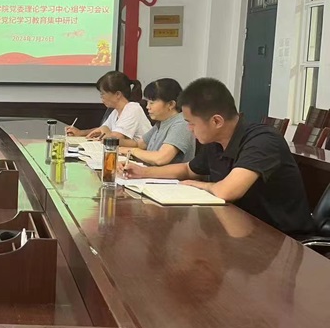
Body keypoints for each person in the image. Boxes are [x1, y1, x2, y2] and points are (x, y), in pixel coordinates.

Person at [122, 78, 316, 237]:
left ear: (216, 121)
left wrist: (199, 185)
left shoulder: (263, 141)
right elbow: (188, 169)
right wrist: (143, 172)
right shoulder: (215, 141)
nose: (189, 129)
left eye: (191, 123)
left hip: (280, 238)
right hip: (239, 228)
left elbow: (228, 191)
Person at [118, 78, 195, 165]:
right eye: (147, 102)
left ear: (171, 104)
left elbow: (161, 158)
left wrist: (131, 151)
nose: (147, 107)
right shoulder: (162, 122)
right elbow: (140, 144)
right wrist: (114, 143)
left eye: (151, 103)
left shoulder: (181, 124)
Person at [67, 71, 151, 144]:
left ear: (117, 94)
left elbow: (115, 138)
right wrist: (80, 133)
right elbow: (102, 129)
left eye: (103, 94)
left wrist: (105, 130)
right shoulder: (115, 112)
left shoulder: (132, 109)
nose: (101, 97)